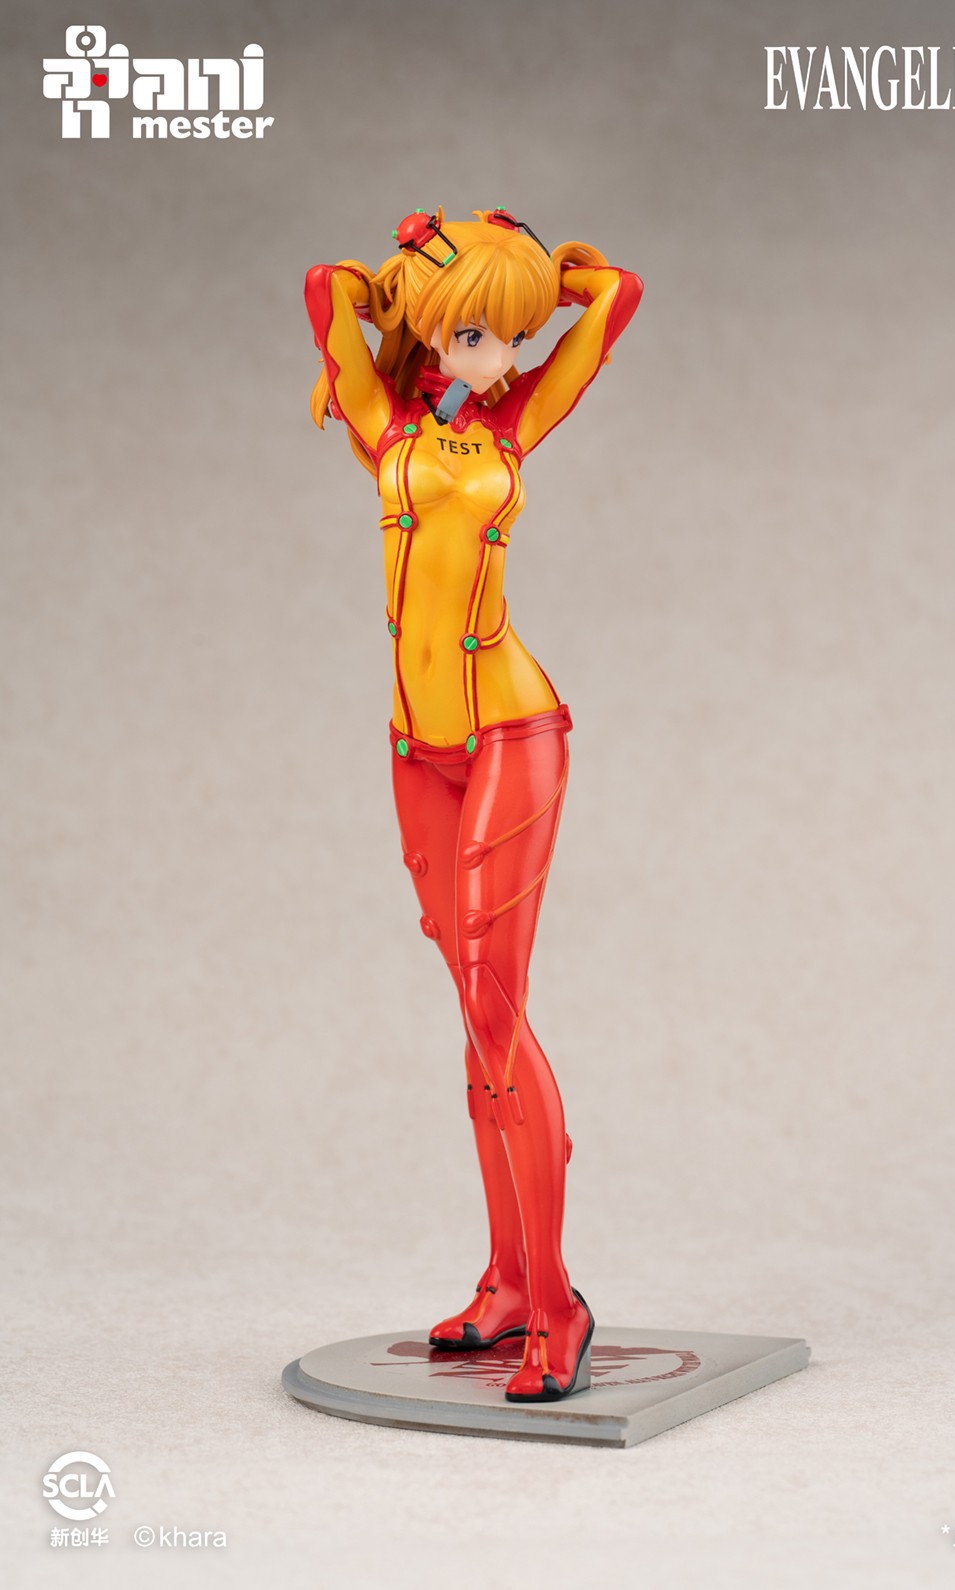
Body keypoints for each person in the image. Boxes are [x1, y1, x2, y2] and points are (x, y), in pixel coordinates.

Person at [304, 207, 642, 1402]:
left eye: (501, 335)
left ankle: (556, 1301)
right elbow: (323, 294)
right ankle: (503, 1280)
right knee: (471, 1012)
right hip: (418, 748)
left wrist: (558, 276)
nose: (485, 355)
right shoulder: (386, 427)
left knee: (497, 1018)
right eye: (463, 334)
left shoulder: (514, 424)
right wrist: (380, 284)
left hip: (510, 733)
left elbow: (616, 301)